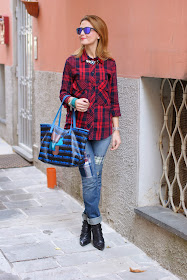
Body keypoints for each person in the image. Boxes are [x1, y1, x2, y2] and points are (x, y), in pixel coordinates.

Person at [59, 15, 121, 251]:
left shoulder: (110, 64)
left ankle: (86, 221)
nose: (81, 33)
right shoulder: (72, 62)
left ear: (98, 34)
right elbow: (62, 94)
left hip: (104, 131)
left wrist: (117, 131)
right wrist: (74, 101)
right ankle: (96, 226)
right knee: (88, 176)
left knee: (95, 177)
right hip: (80, 131)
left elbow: (114, 99)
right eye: (80, 29)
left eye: (86, 29)